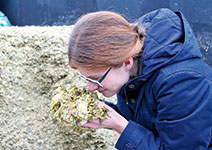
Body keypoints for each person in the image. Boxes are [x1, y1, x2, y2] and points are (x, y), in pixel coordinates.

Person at [68, 8, 212, 150]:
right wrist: (100, 112)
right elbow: (145, 117)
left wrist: (119, 125)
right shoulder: (133, 70)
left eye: (96, 78)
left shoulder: (182, 83)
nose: (91, 87)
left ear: (126, 62)